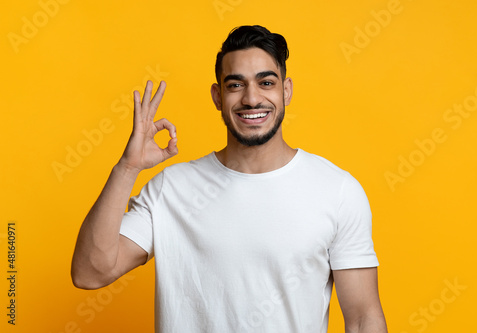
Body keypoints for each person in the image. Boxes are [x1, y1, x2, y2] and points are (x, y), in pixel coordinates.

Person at [71, 25, 387, 333]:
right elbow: (90, 272)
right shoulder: (173, 189)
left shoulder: (337, 190)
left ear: (286, 90)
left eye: (266, 83)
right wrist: (127, 169)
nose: (251, 99)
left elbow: (362, 319)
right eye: (236, 85)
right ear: (218, 96)